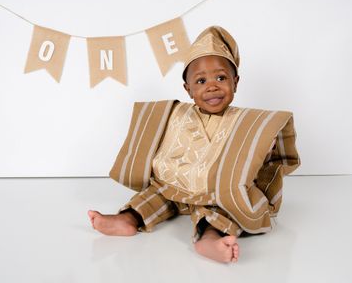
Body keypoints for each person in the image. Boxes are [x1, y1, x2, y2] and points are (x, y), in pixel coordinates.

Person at [88, 26, 300, 263]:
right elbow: (154, 135)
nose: (211, 86)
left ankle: (209, 239)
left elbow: (262, 153)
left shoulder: (248, 122)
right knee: (154, 193)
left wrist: (263, 145)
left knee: (219, 212)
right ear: (187, 89)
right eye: (201, 81)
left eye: (221, 77)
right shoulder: (175, 113)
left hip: (215, 194)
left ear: (236, 82)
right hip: (174, 187)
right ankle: (128, 218)